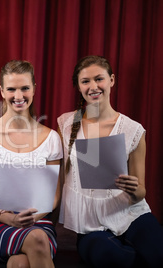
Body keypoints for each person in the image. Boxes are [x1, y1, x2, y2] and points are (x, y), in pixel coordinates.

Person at [58, 55, 163, 267]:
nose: (93, 86)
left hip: (130, 215)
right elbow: (59, 179)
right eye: (85, 81)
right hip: (91, 227)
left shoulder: (133, 130)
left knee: (158, 255)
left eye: (99, 79)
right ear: (78, 86)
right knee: (113, 258)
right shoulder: (66, 124)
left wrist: (134, 188)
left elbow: (141, 192)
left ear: (112, 80)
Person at [0, 60, 62, 267]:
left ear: (34, 89)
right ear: (2, 91)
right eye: (11, 89)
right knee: (37, 240)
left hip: (39, 218)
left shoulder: (51, 138)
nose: (18, 96)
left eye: (24, 88)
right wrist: (11, 220)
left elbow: (54, 197)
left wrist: (31, 218)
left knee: (20, 263)